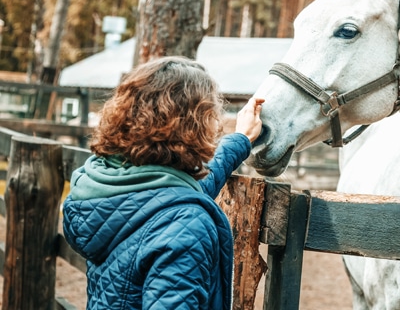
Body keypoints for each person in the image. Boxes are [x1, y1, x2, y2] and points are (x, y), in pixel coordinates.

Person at [62, 56, 264, 309]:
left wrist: (241, 139)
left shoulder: (105, 191)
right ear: (194, 125)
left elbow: (176, 197)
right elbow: (177, 216)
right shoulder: (185, 223)